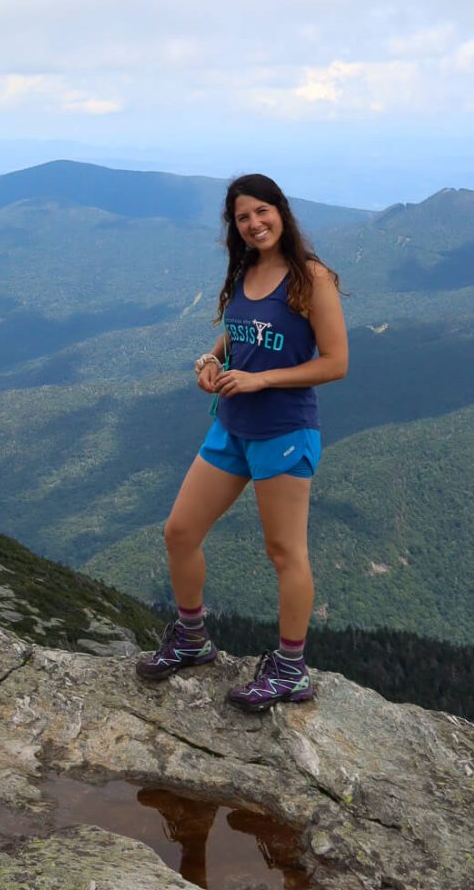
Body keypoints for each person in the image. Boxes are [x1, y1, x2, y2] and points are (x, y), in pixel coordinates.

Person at [135, 172, 348, 710]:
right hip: (231, 426)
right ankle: (190, 638)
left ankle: (292, 669)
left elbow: (336, 362)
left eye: (262, 211)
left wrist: (261, 380)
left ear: (282, 210)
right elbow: (239, 332)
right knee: (180, 530)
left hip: (283, 431)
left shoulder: (312, 278)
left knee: (284, 551)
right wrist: (211, 360)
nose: (254, 223)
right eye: (243, 217)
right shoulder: (246, 271)